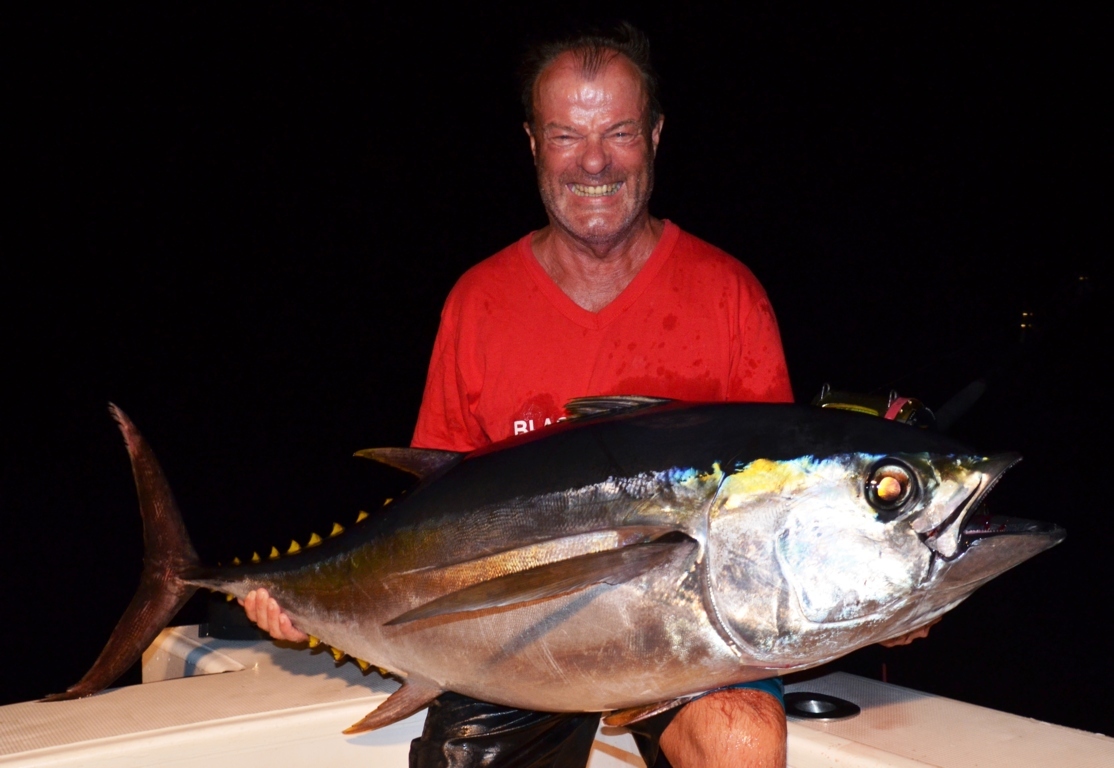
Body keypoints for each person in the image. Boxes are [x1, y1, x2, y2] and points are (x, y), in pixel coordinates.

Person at [244, 22, 912, 767]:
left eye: (619, 132)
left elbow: (776, 522)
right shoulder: (480, 302)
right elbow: (433, 515)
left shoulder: (729, 296)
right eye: (567, 135)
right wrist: (304, 600)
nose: (594, 161)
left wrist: (883, 587)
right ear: (533, 144)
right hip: (513, 652)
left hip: (693, 649)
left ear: (656, 135)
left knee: (742, 745)